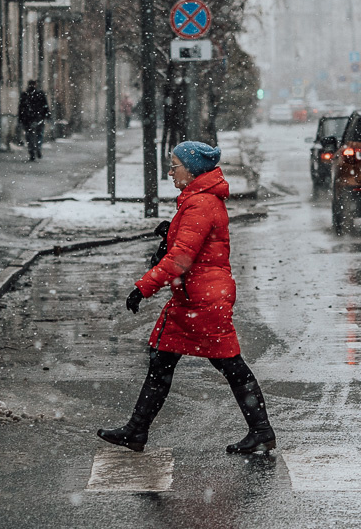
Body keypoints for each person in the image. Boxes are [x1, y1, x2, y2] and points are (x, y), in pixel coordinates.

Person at [97, 141, 275, 456]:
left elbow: (182, 257)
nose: (170, 171)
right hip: (196, 296)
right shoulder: (198, 200)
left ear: (191, 169)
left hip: (202, 300)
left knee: (228, 364)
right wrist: (169, 236)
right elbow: (187, 246)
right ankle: (136, 430)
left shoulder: (200, 204)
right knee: (163, 359)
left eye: (175, 164)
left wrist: (144, 287)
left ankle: (261, 431)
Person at [17, 79, 50, 161]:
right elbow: (45, 105)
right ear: (35, 85)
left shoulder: (25, 94)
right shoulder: (40, 94)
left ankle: (32, 151)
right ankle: (38, 148)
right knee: (39, 134)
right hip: (39, 118)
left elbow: (21, 108)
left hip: (27, 119)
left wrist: (20, 118)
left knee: (29, 136)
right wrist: (47, 115)